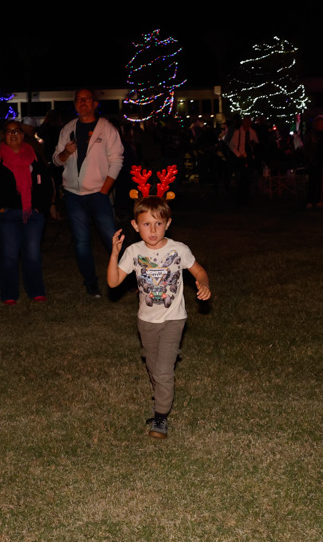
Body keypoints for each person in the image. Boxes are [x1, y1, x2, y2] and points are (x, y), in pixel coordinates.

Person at [107, 196, 211, 439]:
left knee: (163, 370)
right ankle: (161, 396)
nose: (152, 230)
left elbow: (199, 271)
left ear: (168, 224)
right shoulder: (134, 252)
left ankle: (160, 416)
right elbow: (113, 282)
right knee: (153, 366)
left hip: (173, 319)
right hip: (146, 321)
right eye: (146, 224)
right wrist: (114, 254)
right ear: (135, 225)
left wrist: (203, 283)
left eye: (158, 224)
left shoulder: (178, 250)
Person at [53, 89, 124, 297]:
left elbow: (117, 160)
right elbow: (56, 160)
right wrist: (65, 153)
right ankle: (91, 282)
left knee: (111, 238)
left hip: (98, 193)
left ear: (94, 104)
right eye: (78, 100)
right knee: (81, 241)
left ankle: (125, 276)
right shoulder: (68, 129)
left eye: (86, 99)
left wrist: (104, 190)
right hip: (73, 194)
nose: (82, 102)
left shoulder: (107, 129)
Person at [0, 120, 49, 304]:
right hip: (6, 215)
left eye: (17, 131)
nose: (13, 135)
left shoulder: (34, 157)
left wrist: (40, 207)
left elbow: (46, 183)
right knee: (9, 256)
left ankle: (36, 291)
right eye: (9, 131)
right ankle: (9, 293)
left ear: (22, 135)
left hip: (32, 215)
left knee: (33, 254)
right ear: (4, 136)